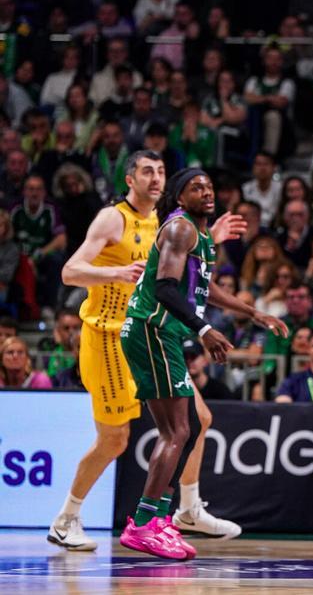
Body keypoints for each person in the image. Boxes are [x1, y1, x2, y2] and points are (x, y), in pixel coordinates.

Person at [51, 152, 243, 553]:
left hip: (153, 333)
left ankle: (188, 510)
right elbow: (70, 271)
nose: (156, 178)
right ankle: (67, 518)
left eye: (160, 172)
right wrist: (114, 273)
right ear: (129, 178)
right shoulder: (112, 218)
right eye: (147, 172)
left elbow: (186, 265)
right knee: (115, 439)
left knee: (200, 418)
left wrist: (213, 240)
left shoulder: (171, 221)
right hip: (107, 335)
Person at [118, 169, 286, 560]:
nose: (206, 191)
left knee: (187, 427)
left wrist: (254, 313)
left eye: (209, 186)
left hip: (160, 333)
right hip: (152, 329)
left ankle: (159, 519)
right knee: (177, 430)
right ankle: (145, 524)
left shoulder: (199, 235)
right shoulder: (179, 230)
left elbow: (202, 288)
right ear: (179, 198)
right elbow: (163, 287)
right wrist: (206, 329)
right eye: (196, 187)